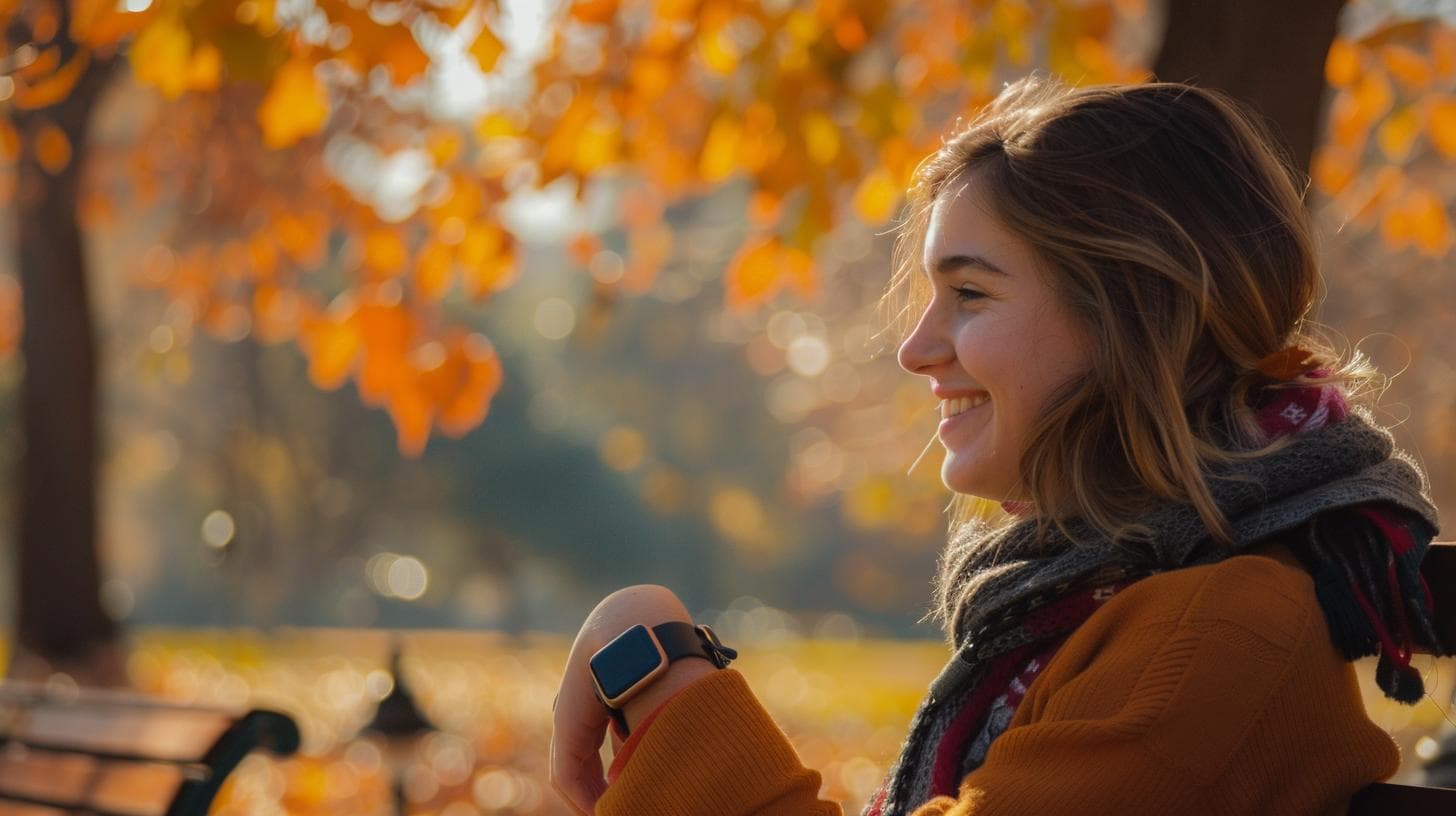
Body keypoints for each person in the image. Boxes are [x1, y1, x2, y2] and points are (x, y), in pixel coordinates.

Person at [549, 76, 1444, 815]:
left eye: (970, 294)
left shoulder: (1216, 633)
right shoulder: (1115, 599)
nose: (915, 349)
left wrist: (654, 669)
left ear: (1134, 317)